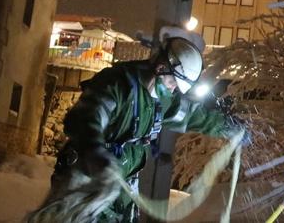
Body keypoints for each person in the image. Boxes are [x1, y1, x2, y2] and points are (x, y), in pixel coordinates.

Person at [29, 26, 244, 223]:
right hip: (89, 181)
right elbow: (86, 118)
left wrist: (229, 127)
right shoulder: (117, 85)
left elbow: (191, 116)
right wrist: (94, 151)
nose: (172, 90)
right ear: (161, 68)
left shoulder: (160, 99)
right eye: (172, 83)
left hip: (121, 189)